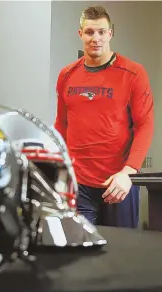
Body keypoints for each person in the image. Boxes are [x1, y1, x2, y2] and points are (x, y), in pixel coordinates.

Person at [54, 5, 154, 228]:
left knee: (120, 256)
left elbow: (145, 125)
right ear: (80, 34)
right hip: (78, 183)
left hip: (118, 183)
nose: (95, 38)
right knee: (79, 253)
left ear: (111, 33)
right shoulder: (67, 75)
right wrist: (59, 168)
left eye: (101, 32)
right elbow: (61, 124)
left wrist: (129, 172)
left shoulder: (133, 73)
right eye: (89, 32)